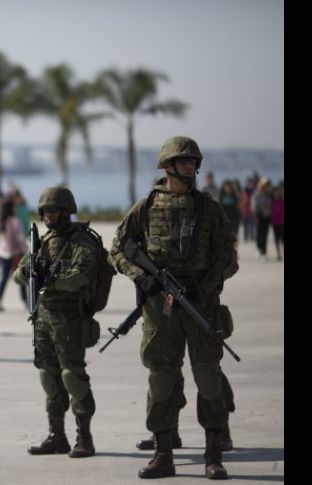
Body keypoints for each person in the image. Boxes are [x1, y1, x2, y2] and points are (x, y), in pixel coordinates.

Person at [109, 136, 238, 479]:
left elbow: (229, 257)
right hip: (159, 310)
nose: (190, 168)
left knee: (208, 377)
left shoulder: (209, 208)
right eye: (183, 162)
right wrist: (141, 277)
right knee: (161, 379)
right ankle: (163, 453)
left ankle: (213, 454)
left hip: (200, 305)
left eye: (194, 162)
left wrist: (205, 286)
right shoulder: (147, 206)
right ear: (168, 166)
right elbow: (118, 249)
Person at [12, 185, 100, 459]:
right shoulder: (42, 241)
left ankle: (84, 437)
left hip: (69, 317)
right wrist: (28, 271)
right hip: (44, 317)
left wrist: (51, 279)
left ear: (66, 211)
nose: (48, 215)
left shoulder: (81, 241)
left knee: (72, 375)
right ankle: (57, 436)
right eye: (45, 210)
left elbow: (82, 275)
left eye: (53, 210)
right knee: (48, 376)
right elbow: (18, 274)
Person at [0, 199, 28, 312]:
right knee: (21, 277)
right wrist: (26, 249)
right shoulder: (15, 221)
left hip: (3, 253)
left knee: (4, 277)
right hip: (16, 253)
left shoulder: (1, 221)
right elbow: (20, 238)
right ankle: (25, 301)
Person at [252, 177, 273, 261]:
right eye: (265, 185)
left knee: (265, 235)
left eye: (268, 185)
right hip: (259, 216)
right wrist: (256, 217)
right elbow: (254, 208)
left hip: (267, 217)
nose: (267, 186)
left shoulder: (269, 195)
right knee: (259, 235)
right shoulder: (257, 195)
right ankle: (259, 250)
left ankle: (264, 252)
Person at [271, 185, 284, 261]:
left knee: (282, 239)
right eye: (275, 193)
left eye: (278, 193)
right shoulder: (272, 202)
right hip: (275, 223)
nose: (277, 194)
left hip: (282, 223)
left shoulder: (282, 201)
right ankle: (278, 254)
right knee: (276, 240)